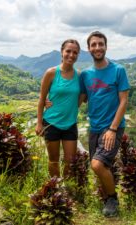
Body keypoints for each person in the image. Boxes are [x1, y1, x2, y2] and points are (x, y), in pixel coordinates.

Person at [79, 31, 130, 217]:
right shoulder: (85, 74)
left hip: (112, 127)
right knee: (100, 166)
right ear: (89, 49)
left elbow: (124, 101)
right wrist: (52, 103)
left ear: (106, 46)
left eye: (101, 44)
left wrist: (113, 129)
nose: (97, 47)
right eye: (94, 45)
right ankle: (107, 195)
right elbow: (80, 99)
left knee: (98, 165)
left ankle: (112, 199)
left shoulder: (118, 70)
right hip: (94, 127)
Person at [35, 39, 81, 178]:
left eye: (75, 52)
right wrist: (39, 123)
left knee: (70, 161)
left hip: (70, 124)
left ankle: (66, 190)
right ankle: (55, 188)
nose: (71, 55)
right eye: (68, 51)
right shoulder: (51, 73)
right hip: (51, 123)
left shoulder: (79, 75)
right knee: (53, 160)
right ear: (62, 52)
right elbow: (42, 99)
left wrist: (72, 108)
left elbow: (83, 96)